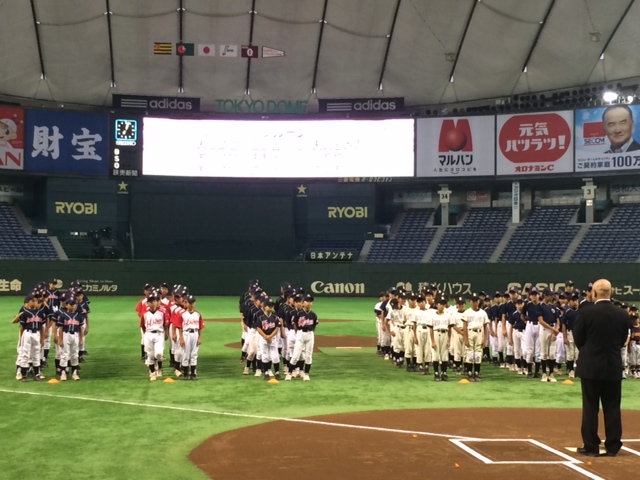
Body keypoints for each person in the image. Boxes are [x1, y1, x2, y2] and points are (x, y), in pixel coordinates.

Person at [573, 278, 632, 457]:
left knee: (590, 407)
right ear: (610, 293)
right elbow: (623, 340)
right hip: (612, 366)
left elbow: (578, 339)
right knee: (613, 407)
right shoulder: (622, 314)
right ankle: (613, 445)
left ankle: (591, 446)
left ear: (595, 293)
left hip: (590, 366)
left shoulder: (585, 313)